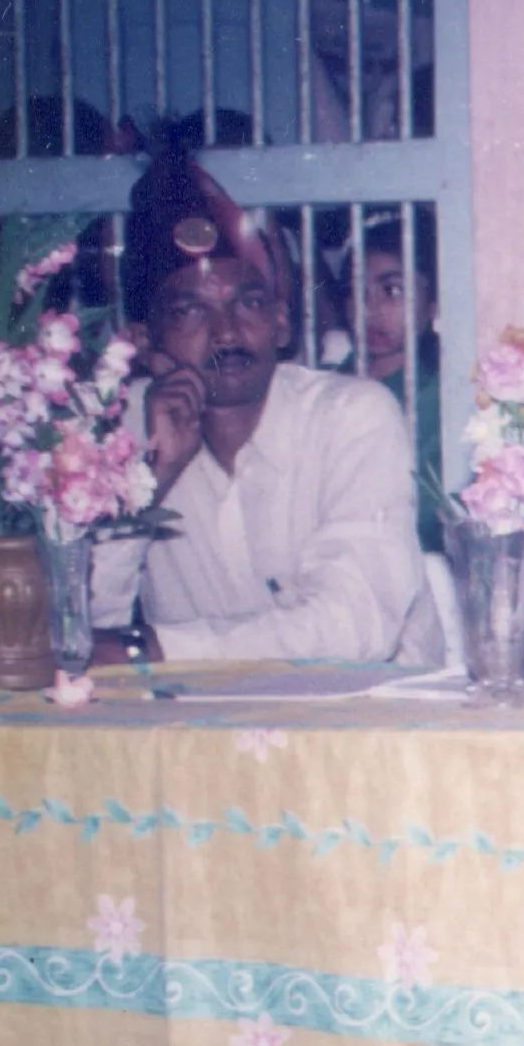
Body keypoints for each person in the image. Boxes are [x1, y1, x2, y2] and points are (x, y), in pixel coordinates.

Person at [88, 130, 445, 666]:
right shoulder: (126, 431)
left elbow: (353, 627)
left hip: (363, 728)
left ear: (280, 322)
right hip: (197, 732)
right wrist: (145, 488)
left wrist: (154, 647)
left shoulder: (350, 416)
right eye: (190, 312)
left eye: (249, 304)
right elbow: (82, 629)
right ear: (143, 339)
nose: (227, 332)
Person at [326, 210, 447, 553]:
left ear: (433, 302)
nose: (370, 309)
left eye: (392, 290)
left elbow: (431, 514)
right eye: (355, 291)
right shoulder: (323, 387)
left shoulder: (444, 396)